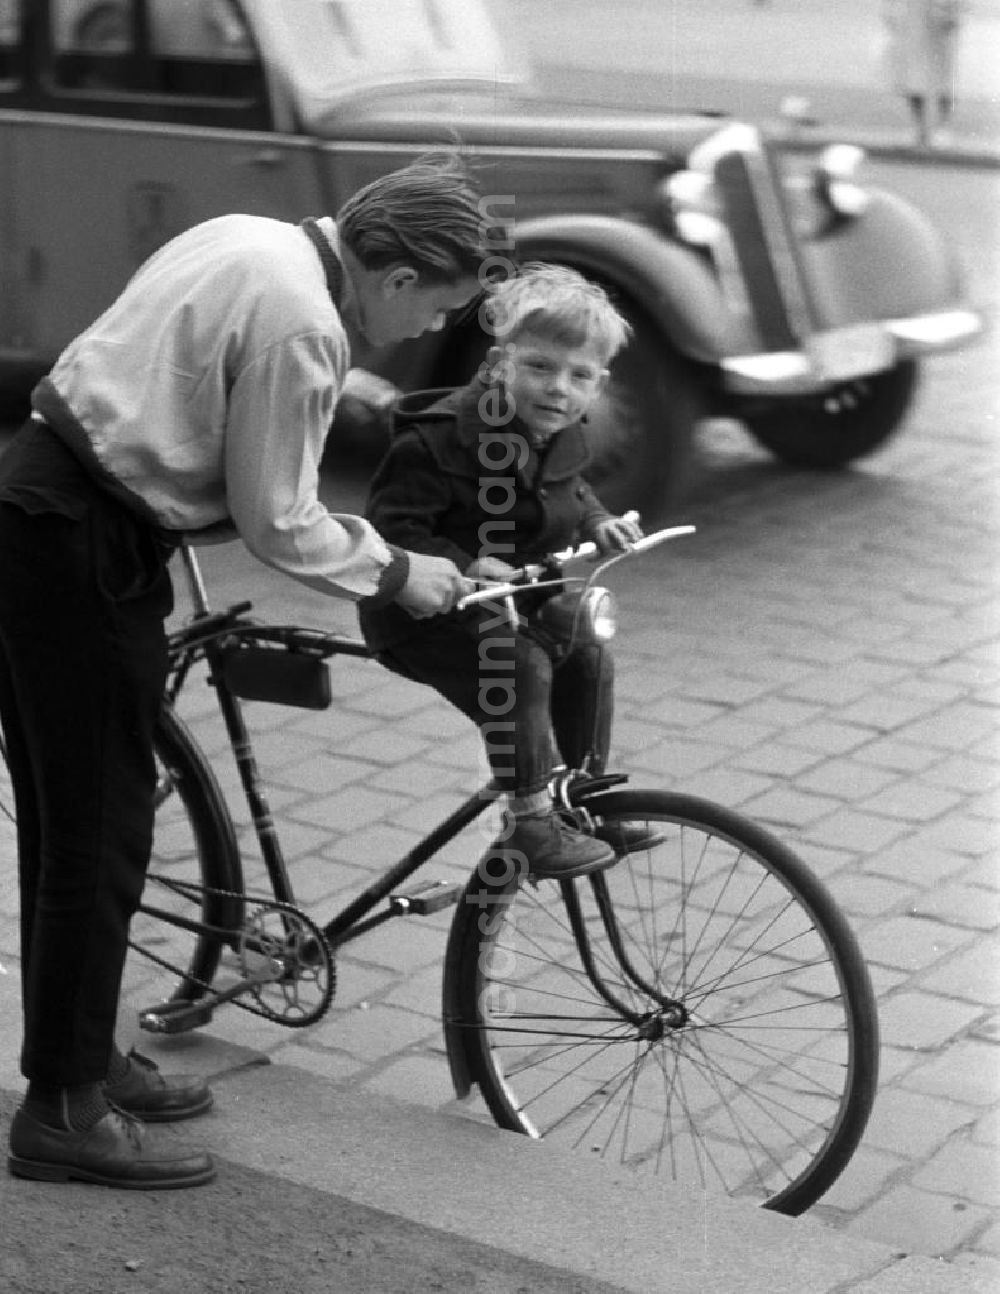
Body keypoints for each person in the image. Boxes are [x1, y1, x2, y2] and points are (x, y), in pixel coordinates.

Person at [0, 153, 488, 1189]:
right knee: (100, 832)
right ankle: (62, 1112)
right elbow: (280, 522)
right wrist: (400, 572)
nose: (420, 336)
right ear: (394, 277)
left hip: (38, 503)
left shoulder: (253, 237)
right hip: (84, 541)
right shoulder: (306, 324)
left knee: (66, 820)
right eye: (434, 311)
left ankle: (80, 1062)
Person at [359, 263, 652, 882]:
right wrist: (464, 565)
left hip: (516, 603)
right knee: (519, 666)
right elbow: (389, 535)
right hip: (426, 614)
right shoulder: (436, 442)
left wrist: (598, 522)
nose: (558, 390)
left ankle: (582, 801)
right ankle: (532, 824)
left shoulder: (563, 433)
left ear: (599, 385)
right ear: (499, 365)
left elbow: (570, 489)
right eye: (540, 367)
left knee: (587, 648)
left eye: (580, 377)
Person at [881, 0, 966, 146]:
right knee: (912, 78)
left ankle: (941, 127)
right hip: (912, 22)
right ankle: (920, 128)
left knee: (943, 78)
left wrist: (952, 15)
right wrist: (892, 15)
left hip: (940, 23)